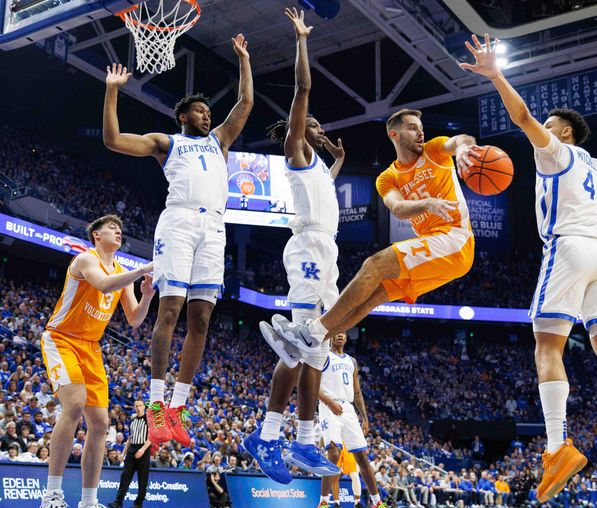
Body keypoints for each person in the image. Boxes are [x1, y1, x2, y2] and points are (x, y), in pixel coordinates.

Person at [460, 33, 597, 502]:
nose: (544, 129)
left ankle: (557, 446)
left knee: (546, 344)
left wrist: (495, 74)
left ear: (565, 132)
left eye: (552, 125)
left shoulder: (554, 152)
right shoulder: (591, 164)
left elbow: (521, 116)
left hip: (568, 249)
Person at [102, 33, 253, 448]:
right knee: (170, 311)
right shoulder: (167, 142)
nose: (207, 116)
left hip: (215, 227)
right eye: (199, 111)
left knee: (202, 319)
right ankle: (153, 407)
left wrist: (242, 59)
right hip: (180, 223)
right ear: (183, 116)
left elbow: (245, 105)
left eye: (208, 112)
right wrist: (113, 93)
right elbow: (113, 141)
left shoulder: (219, 141)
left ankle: (177, 409)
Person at [272, 103, 478, 354]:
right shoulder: (387, 178)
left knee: (374, 264)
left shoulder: (434, 151)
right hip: (436, 246)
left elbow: (458, 141)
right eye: (413, 128)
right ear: (395, 135)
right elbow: (398, 208)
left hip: (455, 238)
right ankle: (313, 343)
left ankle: (311, 331)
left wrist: (466, 148)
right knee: (372, 298)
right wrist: (428, 203)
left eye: (421, 128)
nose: (420, 133)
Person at [245, 7, 340, 483]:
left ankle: (304, 444)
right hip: (306, 251)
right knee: (297, 348)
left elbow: (323, 202)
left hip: (328, 251)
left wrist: (337, 161)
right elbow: (303, 90)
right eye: (313, 127)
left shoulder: (318, 168)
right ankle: (265, 435)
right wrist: (302, 40)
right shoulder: (295, 151)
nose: (319, 131)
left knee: (319, 350)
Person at [38, 215, 154, 508]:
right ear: (95, 235)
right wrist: (141, 269)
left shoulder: (121, 271)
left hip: (91, 347)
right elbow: (102, 284)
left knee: (100, 424)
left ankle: (88, 506)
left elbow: (134, 319)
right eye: (111, 228)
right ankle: (52, 497)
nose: (118, 230)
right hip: (61, 339)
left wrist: (146, 296)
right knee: (74, 405)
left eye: (120, 228)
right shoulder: (86, 260)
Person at [313, 333, 395, 508]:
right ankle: (323, 502)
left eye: (343, 332)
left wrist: (364, 417)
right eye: (337, 332)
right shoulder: (323, 356)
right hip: (328, 405)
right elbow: (312, 384)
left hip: (348, 409)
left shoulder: (352, 361)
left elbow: (357, 392)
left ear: (347, 337)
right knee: (333, 452)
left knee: (362, 458)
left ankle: (377, 504)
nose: (340, 335)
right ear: (331, 337)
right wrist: (329, 401)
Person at [108, 399, 150, 508]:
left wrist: (142, 449)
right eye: (136, 406)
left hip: (144, 449)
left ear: (144, 407)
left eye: (140, 405)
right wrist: (123, 453)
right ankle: (118, 502)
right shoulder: (132, 420)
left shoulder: (149, 420)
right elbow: (130, 439)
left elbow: (151, 437)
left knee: (142, 478)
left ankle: (139, 503)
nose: (138, 407)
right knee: (125, 476)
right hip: (132, 449)